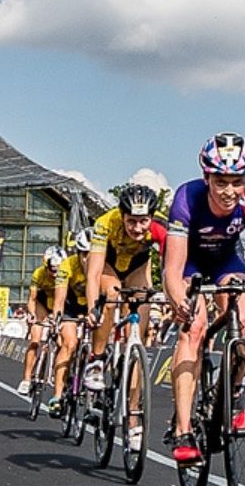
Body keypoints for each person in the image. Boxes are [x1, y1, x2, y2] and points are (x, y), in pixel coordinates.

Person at [162, 132, 245, 466]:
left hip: (225, 260)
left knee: (244, 316)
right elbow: (172, 269)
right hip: (189, 260)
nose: (229, 191)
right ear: (207, 176)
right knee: (194, 328)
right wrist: (179, 300)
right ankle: (182, 430)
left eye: (237, 182)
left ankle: (232, 396)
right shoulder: (186, 198)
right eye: (221, 181)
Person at [80, 184, 169, 434]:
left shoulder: (161, 227)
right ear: (122, 215)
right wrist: (91, 308)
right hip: (108, 265)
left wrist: (172, 297)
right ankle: (96, 360)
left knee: (138, 335)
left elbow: (169, 268)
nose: (138, 228)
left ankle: (133, 415)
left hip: (137, 267)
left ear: (151, 217)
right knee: (112, 294)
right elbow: (94, 272)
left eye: (143, 222)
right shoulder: (105, 223)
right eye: (131, 221)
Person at [16, 242, 86, 402]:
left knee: (64, 344)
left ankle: (61, 375)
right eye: (52, 270)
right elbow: (32, 299)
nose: (55, 274)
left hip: (61, 304)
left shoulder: (69, 273)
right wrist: (32, 315)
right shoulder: (39, 274)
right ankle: (27, 379)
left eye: (58, 270)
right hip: (43, 305)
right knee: (35, 340)